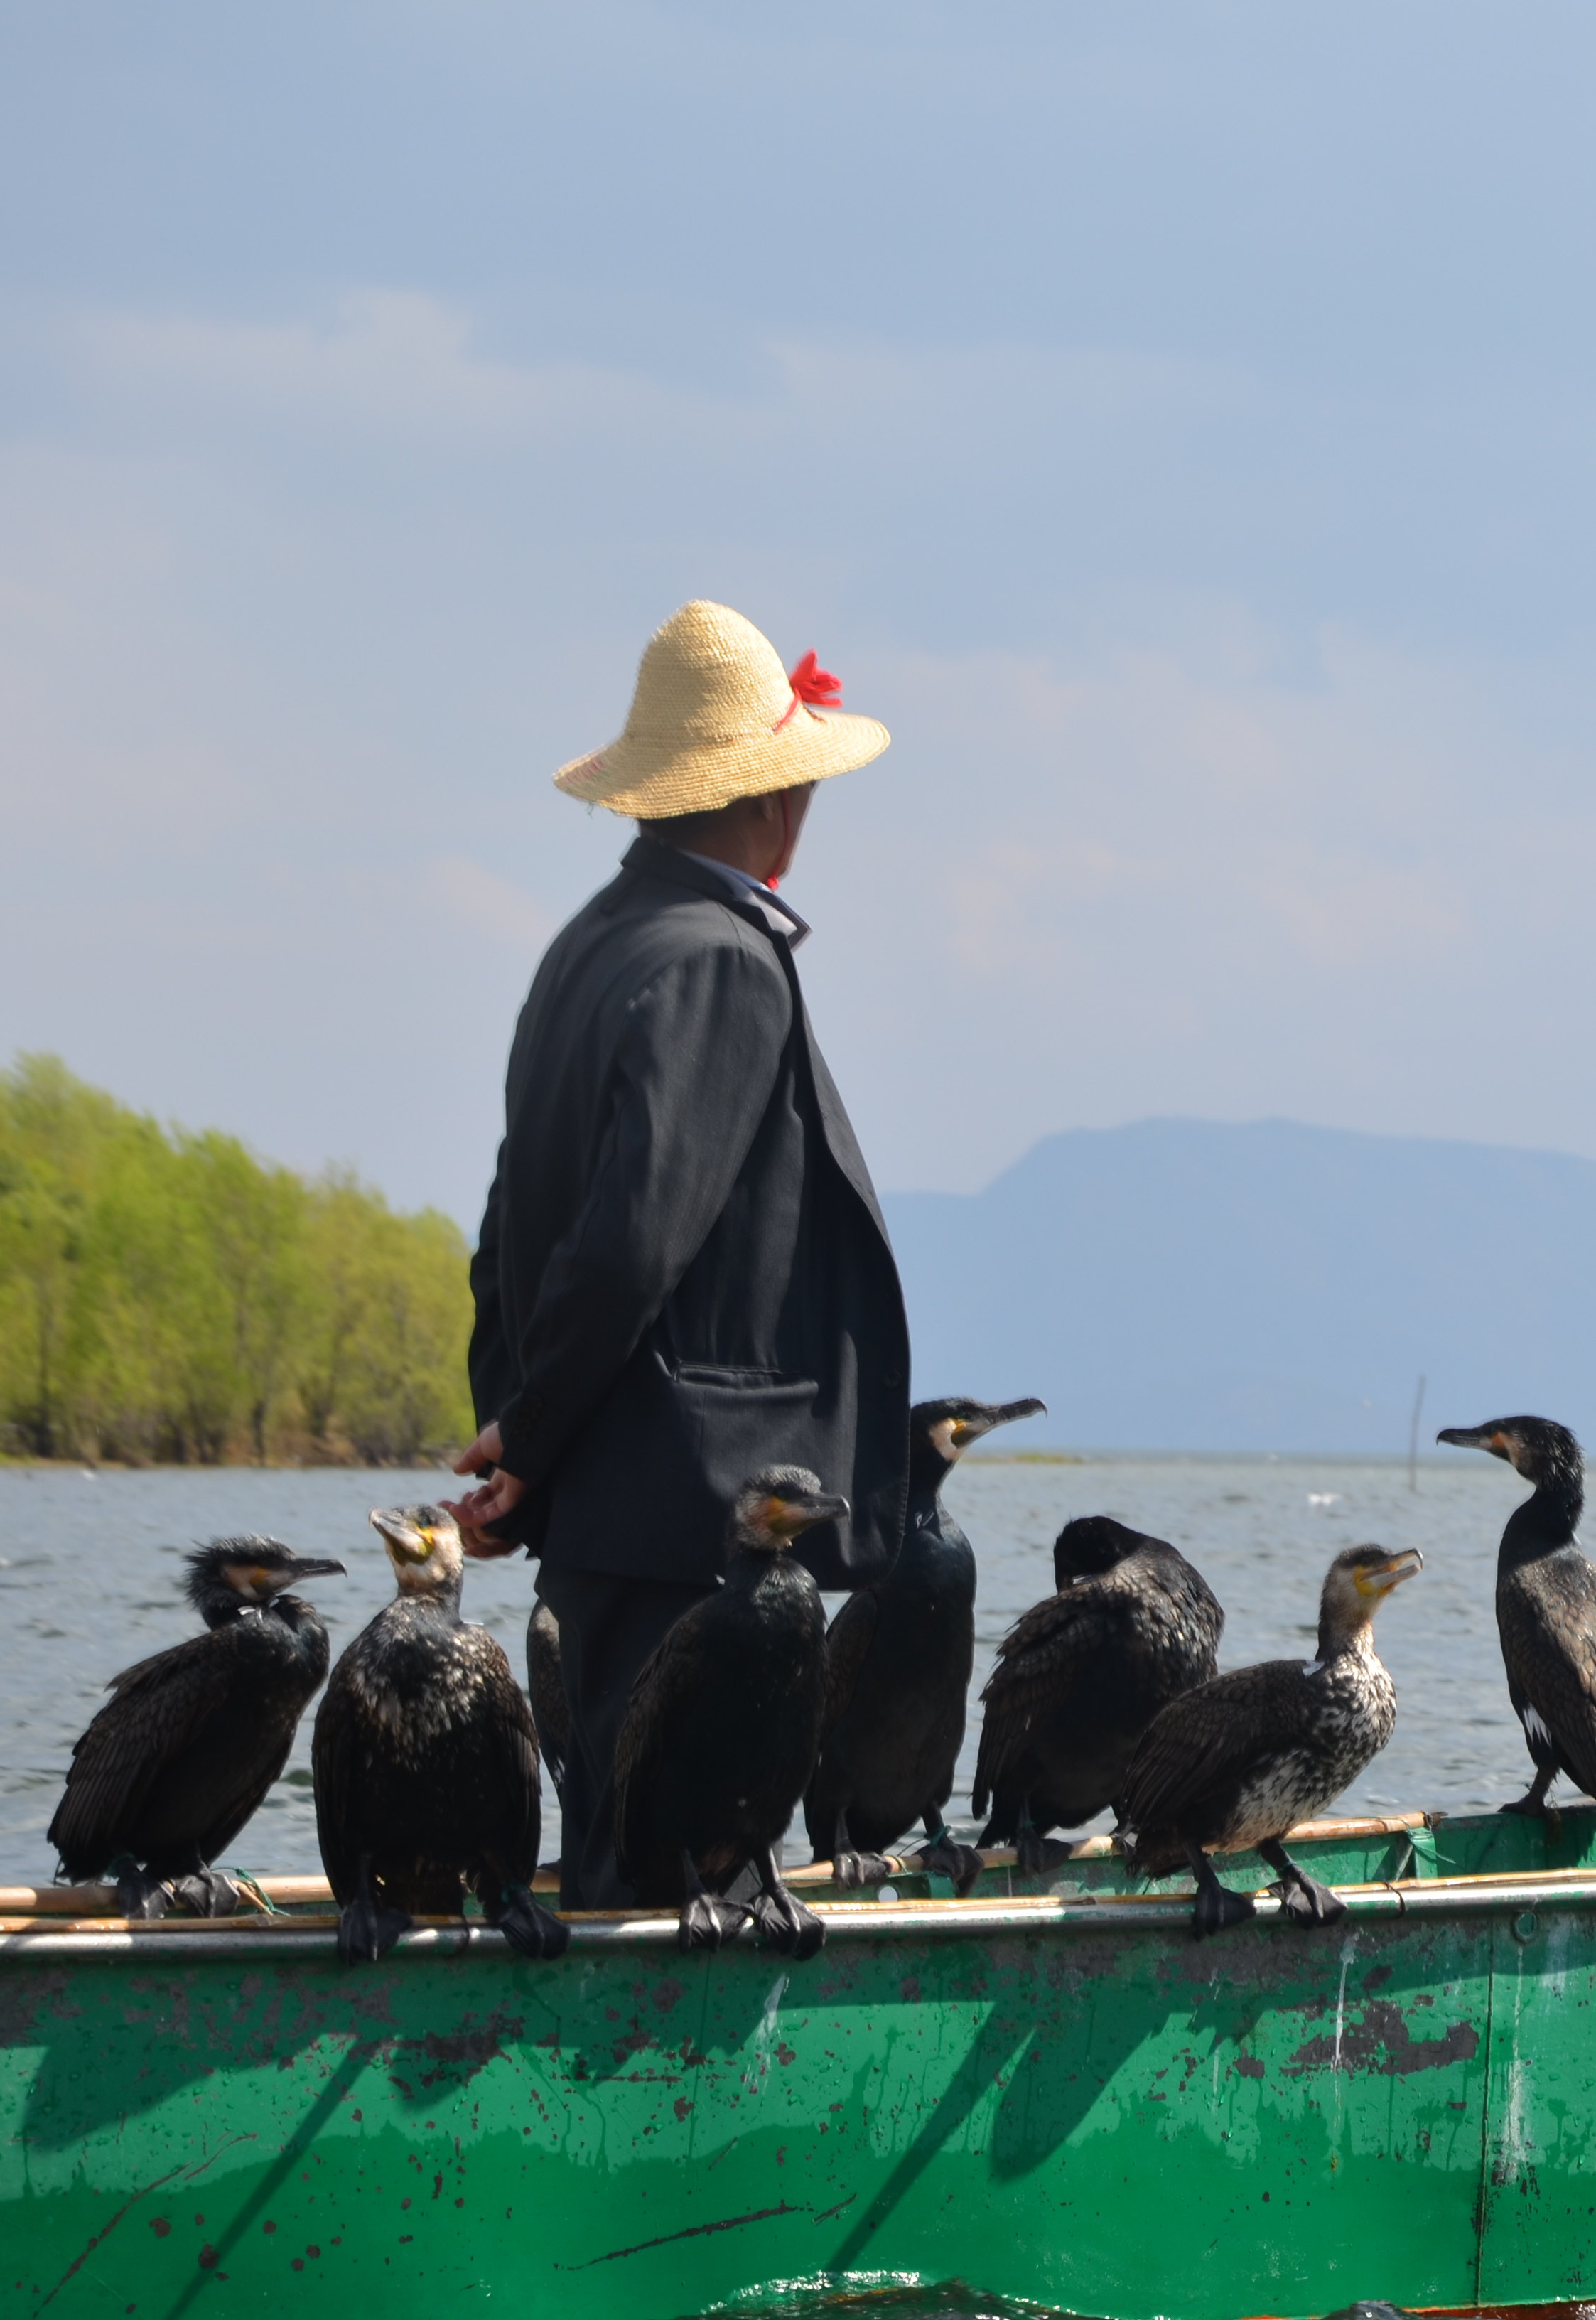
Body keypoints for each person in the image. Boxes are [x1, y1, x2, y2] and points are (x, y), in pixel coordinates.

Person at [448, 599, 912, 1904]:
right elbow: (628, 1241)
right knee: (679, 1886)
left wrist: (519, 1434)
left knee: (621, 1865)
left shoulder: (586, 949)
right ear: (780, 798)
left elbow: (507, 1233)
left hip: (614, 1513)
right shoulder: (724, 962)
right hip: (694, 1533)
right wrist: (528, 1444)